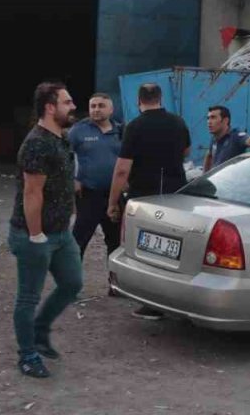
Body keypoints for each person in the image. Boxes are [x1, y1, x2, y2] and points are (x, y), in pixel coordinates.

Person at [8, 82, 84, 379]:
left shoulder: (61, 138)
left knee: (72, 283)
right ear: (50, 108)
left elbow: (64, 182)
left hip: (62, 233)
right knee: (28, 297)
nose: (73, 106)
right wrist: (36, 234)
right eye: (67, 102)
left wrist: (70, 215)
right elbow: (32, 192)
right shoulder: (37, 143)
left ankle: (39, 330)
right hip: (34, 235)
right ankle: (27, 355)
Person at [106, 82, 191, 320]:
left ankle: (151, 302)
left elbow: (122, 169)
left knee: (144, 250)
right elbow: (186, 151)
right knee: (172, 250)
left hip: (144, 197)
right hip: (175, 194)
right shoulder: (178, 122)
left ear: (138, 101)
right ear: (161, 99)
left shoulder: (134, 127)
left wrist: (112, 202)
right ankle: (174, 299)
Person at [68, 93, 123, 259]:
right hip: (88, 195)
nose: (96, 109)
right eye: (93, 106)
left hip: (115, 196)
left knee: (115, 242)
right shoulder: (78, 130)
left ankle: (114, 276)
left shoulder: (121, 131)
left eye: (101, 106)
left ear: (111, 109)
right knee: (78, 241)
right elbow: (63, 156)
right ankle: (71, 275)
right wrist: (73, 178)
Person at [202, 105, 250, 171]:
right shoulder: (214, 138)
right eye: (208, 118)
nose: (209, 122)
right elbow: (209, 154)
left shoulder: (235, 136)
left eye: (213, 117)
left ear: (225, 120)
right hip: (218, 177)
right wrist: (204, 175)